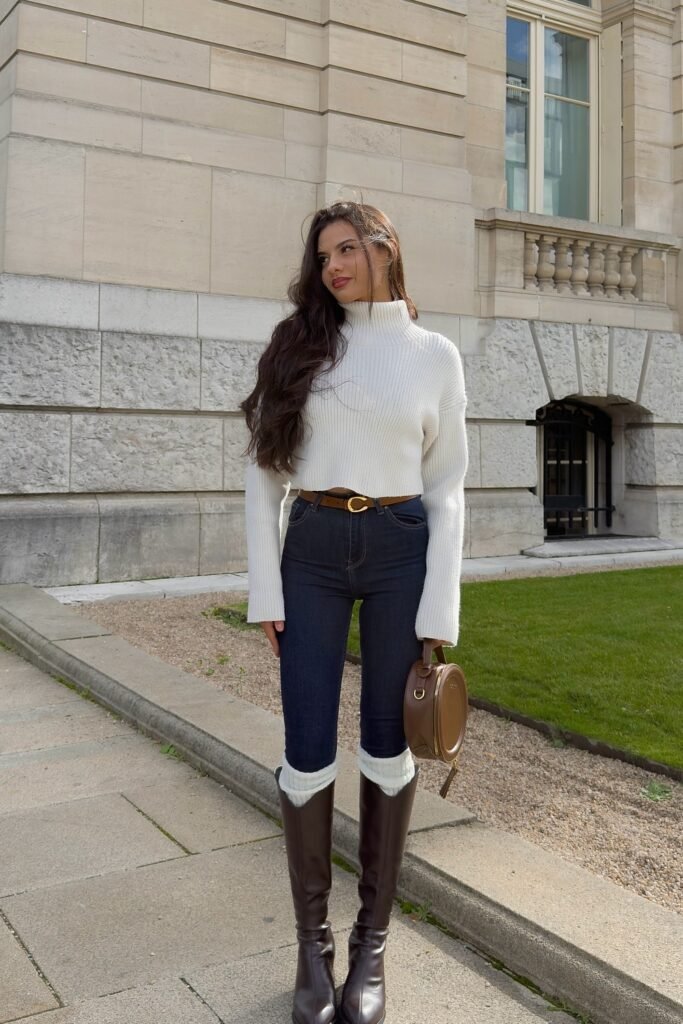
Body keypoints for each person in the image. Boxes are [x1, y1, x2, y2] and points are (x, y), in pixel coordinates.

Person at [240, 200, 468, 1024]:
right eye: (323, 254)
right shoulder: (299, 345)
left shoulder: (433, 355)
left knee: (385, 746)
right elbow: (264, 476)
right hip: (311, 548)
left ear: (384, 250)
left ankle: (370, 948)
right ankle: (312, 947)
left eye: (348, 248)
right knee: (305, 750)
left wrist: (438, 608)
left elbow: (447, 489)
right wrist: (265, 591)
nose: (334, 265)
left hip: (402, 547)